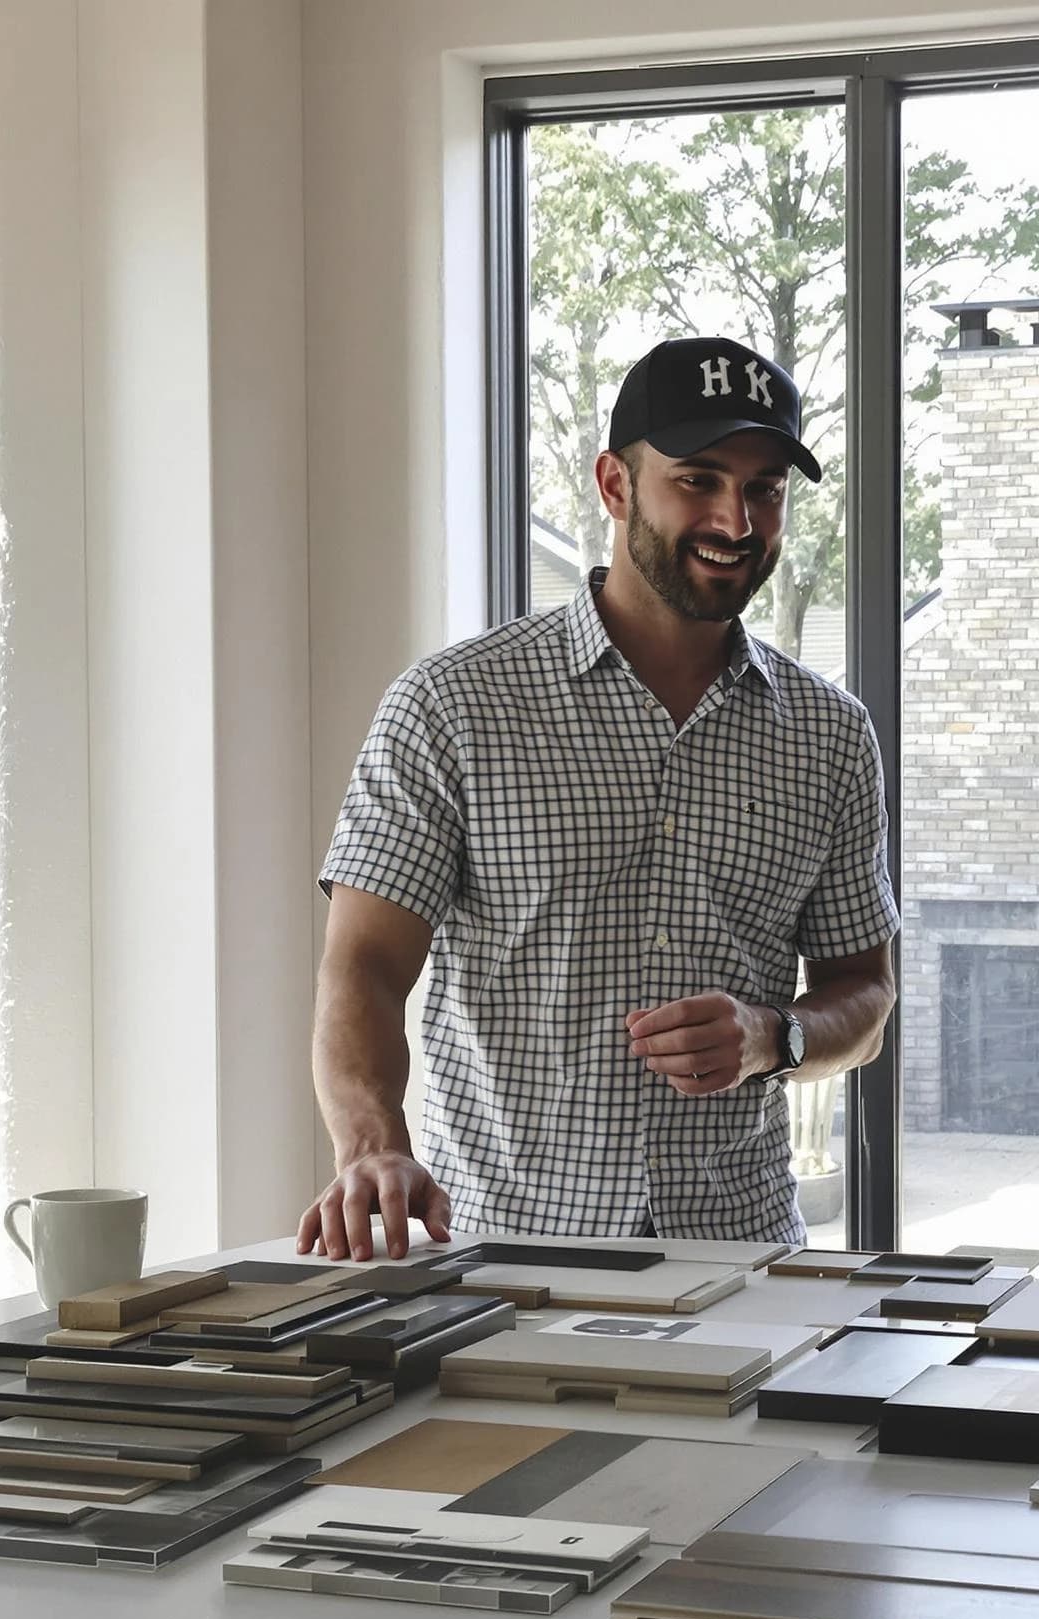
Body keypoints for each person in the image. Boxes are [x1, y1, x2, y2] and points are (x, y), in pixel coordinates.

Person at [300, 337, 898, 1260]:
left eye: (766, 488)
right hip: (501, 1258)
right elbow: (364, 971)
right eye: (698, 480)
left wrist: (771, 1036)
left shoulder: (830, 735)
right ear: (616, 485)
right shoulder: (453, 705)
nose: (737, 520)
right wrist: (373, 1147)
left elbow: (865, 993)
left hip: (745, 1260)